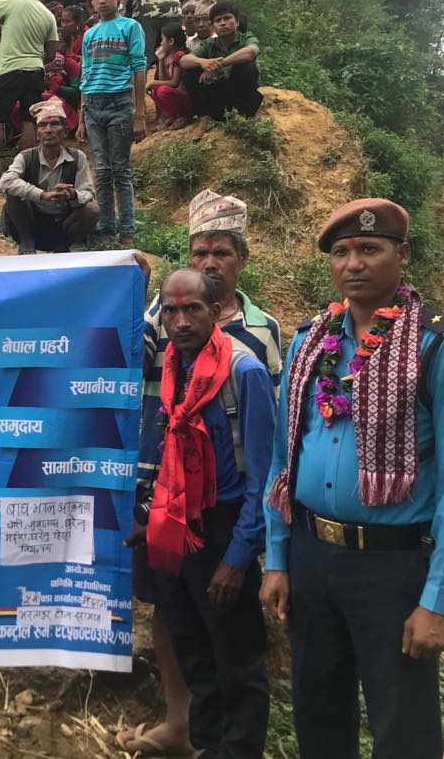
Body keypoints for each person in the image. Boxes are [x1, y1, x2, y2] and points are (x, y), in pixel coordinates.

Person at [261, 199, 444, 759]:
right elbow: (283, 456)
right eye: (341, 252)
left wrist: (439, 599)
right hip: (312, 557)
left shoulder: (442, 347)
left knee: (402, 724)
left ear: (402, 254)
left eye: (370, 248)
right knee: (318, 714)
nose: (354, 263)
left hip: (393, 566)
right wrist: (278, 557)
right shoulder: (310, 342)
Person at [126, 190, 283, 758]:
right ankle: (194, 733)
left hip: (224, 518)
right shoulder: (169, 352)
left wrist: (241, 554)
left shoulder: (250, 358)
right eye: (200, 252)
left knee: (235, 656)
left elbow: (267, 462)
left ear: (215, 312)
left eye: (192, 309)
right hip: (169, 509)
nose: (180, 319)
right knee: (189, 638)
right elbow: (121, 356)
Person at [77, 0, 147, 241]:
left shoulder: (130, 27)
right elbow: (85, 76)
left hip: (119, 104)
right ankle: (106, 231)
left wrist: (139, 113)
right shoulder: (89, 35)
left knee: (121, 170)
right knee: (102, 171)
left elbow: (139, 68)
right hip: (93, 107)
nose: (102, 0)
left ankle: (127, 232)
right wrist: (82, 118)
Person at [0, 0, 60, 179]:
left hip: (9, 69)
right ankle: (25, 171)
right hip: (35, 71)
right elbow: (51, 54)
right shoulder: (48, 15)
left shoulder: (13, 0)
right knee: (28, 120)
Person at [0, 97, 98, 254]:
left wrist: (71, 194)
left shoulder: (77, 157)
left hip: (64, 222)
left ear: (65, 132)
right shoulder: (26, 156)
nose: (48, 130)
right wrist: (43, 195)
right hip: (32, 221)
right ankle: (26, 240)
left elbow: (88, 193)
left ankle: (66, 245)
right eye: (43, 125)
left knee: (92, 209)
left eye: (54, 124)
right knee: (13, 191)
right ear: (37, 134)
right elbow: (5, 181)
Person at [180, 1, 263, 141]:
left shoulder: (246, 38)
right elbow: (184, 61)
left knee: (246, 65)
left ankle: (240, 116)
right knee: (190, 71)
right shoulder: (209, 44)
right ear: (213, 26)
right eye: (218, 20)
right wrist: (203, 62)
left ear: (237, 22)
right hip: (219, 98)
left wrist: (217, 66)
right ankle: (204, 117)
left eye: (227, 18)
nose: (223, 23)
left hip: (243, 97)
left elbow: (251, 52)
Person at [149, 23, 194, 129]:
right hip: (177, 95)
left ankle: (183, 115)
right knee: (152, 88)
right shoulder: (168, 56)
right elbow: (163, 80)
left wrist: (152, 82)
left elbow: (174, 83)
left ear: (171, 41)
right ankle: (170, 115)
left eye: (162, 40)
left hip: (186, 98)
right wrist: (161, 60)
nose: (160, 43)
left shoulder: (179, 55)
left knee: (163, 90)